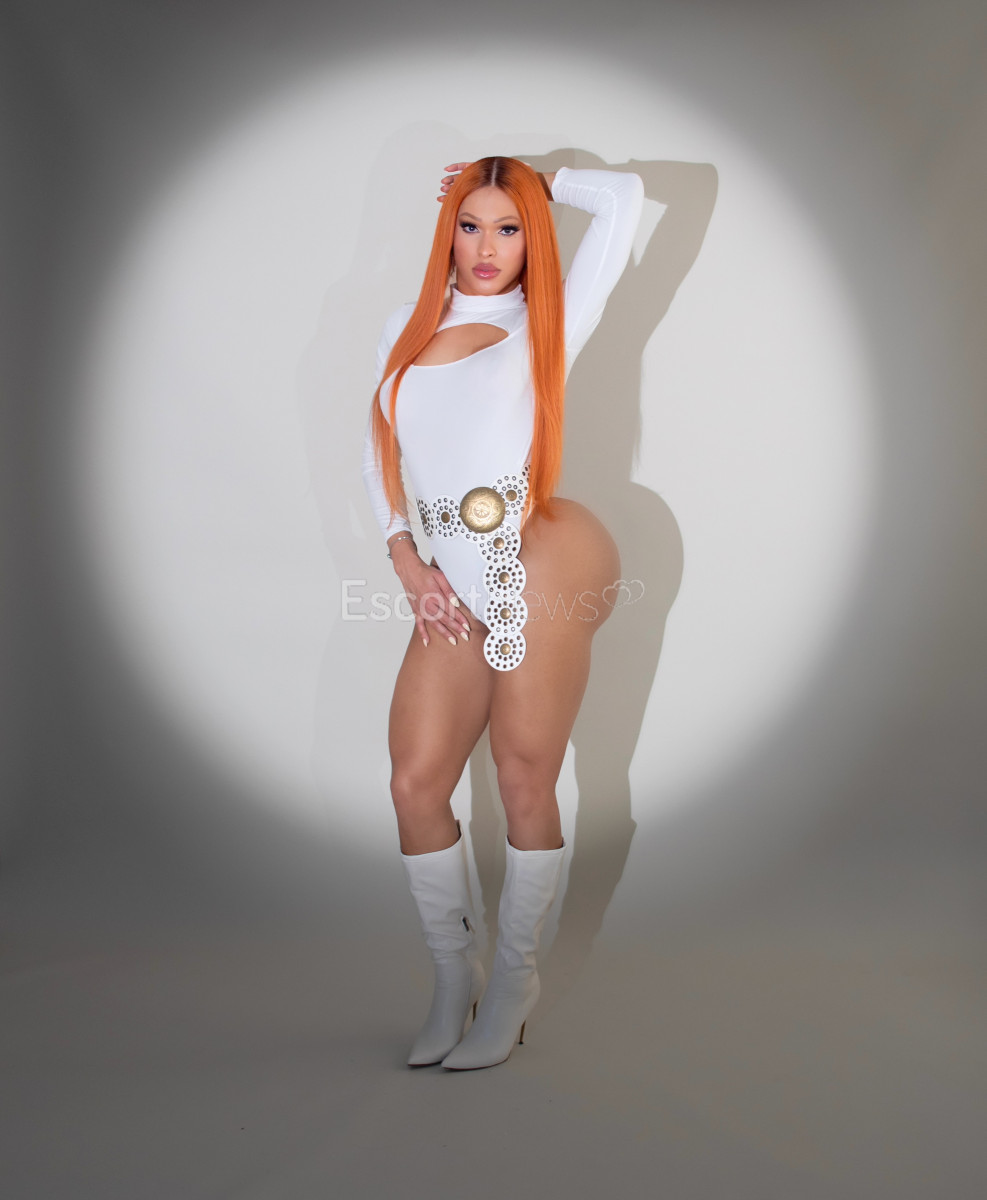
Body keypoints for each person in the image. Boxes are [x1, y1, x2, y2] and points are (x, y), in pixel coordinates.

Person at [362, 156, 644, 1069]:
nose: (487, 247)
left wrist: (539, 180)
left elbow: (625, 200)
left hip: (538, 555)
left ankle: (514, 981)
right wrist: (404, 555)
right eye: (471, 224)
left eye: (509, 227)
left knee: (524, 773)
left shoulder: (546, 321)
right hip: (448, 569)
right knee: (415, 782)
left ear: (532, 239)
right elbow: (376, 451)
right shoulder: (407, 329)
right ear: (447, 232)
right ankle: (455, 977)